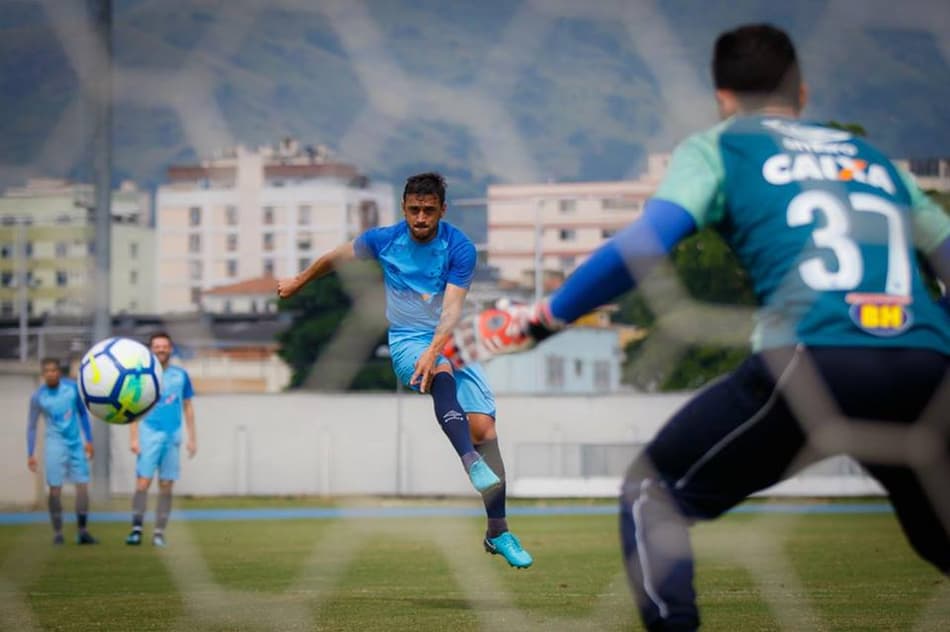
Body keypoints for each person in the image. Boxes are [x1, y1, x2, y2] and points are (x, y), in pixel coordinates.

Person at [445, 24, 950, 630]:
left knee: (652, 494)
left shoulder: (723, 145)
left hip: (813, 356)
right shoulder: (872, 160)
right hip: (925, 364)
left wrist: (544, 317)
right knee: (936, 533)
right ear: (804, 93)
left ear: (722, 98)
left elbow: (645, 244)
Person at [277, 172, 533, 568]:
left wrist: (437, 348)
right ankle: (470, 462)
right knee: (441, 370)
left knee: (485, 428)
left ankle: (498, 531)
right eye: (414, 210)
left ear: (442, 211)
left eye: (429, 211)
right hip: (407, 339)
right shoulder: (383, 240)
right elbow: (334, 259)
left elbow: (452, 309)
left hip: (447, 335)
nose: (420, 218)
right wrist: (298, 280)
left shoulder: (459, 247)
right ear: (404, 208)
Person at [125, 332, 197, 547]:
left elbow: (188, 407)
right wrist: (134, 438)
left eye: (164, 346)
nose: (161, 350)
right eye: (157, 346)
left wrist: (192, 438)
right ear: (150, 349)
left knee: (166, 485)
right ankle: (136, 529)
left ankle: (158, 532)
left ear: (171, 349)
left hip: (172, 436)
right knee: (143, 483)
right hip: (148, 435)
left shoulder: (180, 375)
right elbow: (133, 408)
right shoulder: (141, 376)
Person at [27, 358, 98, 545]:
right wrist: (30, 452)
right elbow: (32, 426)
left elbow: (82, 414)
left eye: (54, 370)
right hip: (54, 445)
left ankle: (83, 531)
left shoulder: (72, 389)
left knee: (82, 486)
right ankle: (58, 532)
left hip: (75, 443)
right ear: (43, 374)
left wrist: (89, 440)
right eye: (47, 371)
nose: (51, 373)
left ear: (59, 372)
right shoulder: (38, 397)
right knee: (55, 489)